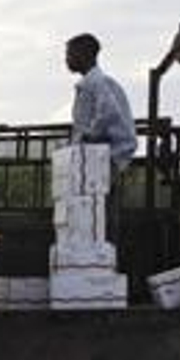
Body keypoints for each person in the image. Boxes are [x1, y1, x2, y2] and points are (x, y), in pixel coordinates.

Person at [65, 32, 136, 232]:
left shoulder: (96, 82)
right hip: (99, 157)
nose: (67, 60)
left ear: (84, 54)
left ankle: (104, 257)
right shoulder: (93, 82)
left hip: (104, 157)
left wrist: (90, 135)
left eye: (70, 54)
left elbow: (108, 112)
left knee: (100, 214)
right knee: (97, 212)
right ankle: (102, 256)